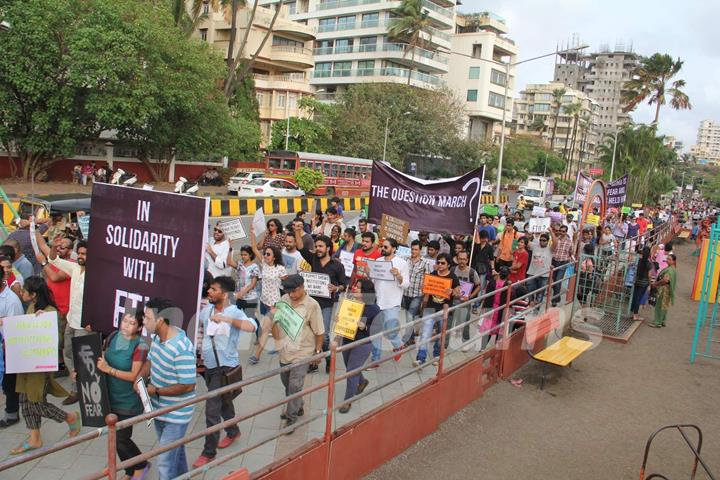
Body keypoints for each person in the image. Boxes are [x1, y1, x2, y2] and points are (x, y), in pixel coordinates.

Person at [10, 276, 80, 455]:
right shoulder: (32, 308)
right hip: (26, 364)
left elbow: (54, 340)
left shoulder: (50, 312)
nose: (22, 293)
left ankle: (69, 417)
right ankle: (35, 438)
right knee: (25, 402)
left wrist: (42, 323)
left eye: (25, 290)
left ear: (33, 294)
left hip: (38, 368)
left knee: (36, 403)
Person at [193, 276, 257, 468]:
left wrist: (227, 319)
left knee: (212, 408)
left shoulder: (234, 312)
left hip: (225, 367)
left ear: (224, 293)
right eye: (209, 289)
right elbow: (202, 332)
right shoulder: (207, 310)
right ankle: (233, 431)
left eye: (213, 289)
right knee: (224, 403)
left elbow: (252, 326)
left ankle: (208, 452)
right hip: (208, 367)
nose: (209, 292)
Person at [139, 297, 196, 480]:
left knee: (164, 460)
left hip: (176, 414)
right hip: (160, 410)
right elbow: (150, 360)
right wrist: (140, 377)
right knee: (175, 452)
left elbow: (188, 385)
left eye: (147, 318)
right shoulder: (157, 338)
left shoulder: (181, 348)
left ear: (160, 320)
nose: (143, 322)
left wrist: (155, 391)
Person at [96, 309, 151, 479]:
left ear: (140, 327)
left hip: (128, 399)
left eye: (132, 323)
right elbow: (102, 358)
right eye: (124, 321)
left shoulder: (140, 346)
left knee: (122, 438)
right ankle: (130, 469)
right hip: (110, 396)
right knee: (114, 438)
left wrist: (109, 369)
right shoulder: (113, 336)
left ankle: (141, 465)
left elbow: (133, 375)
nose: (126, 326)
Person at [37, 231, 90, 405]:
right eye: (80, 253)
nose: (81, 256)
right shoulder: (74, 268)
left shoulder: (96, 276)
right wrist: (53, 246)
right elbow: (54, 260)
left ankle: (85, 391)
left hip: (85, 325)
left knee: (84, 359)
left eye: (84, 254)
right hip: (71, 321)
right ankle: (76, 387)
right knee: (68, 354)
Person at [270, 275, 324, 431]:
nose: (291, 295)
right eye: (288, 292)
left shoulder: (312, 305)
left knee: (294, 385)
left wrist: (318, 352)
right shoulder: (284, 299)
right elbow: (276, 324)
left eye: (294, 291)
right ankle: (298, 405)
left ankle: (291, 418)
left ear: (302, 287)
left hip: (303, 352)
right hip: (285, 351)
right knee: (287, 384)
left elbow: (319, 331)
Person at [293, 226, 347, 373]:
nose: (317, 249)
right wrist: (297, 231)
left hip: (326, 305)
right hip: (310, 303)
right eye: (316, 246)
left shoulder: (337, 265)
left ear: (328, 248)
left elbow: (344, 284)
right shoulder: (313, 259)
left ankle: (329, 359)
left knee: (324, 335)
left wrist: (336, 289)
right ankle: (314, 362)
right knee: (311, 334)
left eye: (321, 246)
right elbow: (300, 247)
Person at [337, 279, 379, 413]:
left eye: (359, 288)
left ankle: (347, 401)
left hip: (363, 343)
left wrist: (365, 326)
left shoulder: (373, 308)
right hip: (347, 338)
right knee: (351, 367)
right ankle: (362, 381)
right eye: (355, 286)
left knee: (351, 371)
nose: (355, 288)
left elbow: (378, 328)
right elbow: (343, 319)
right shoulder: (350, 302)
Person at [414, 253, 460, 366]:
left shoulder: (453, 277)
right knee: (425, 334)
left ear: (448, 264)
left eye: (442, 263)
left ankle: (436, 355)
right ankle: (421, 358)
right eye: (438, 262)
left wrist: (453, 292)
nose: (440, 264)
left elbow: (458, 293)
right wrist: (424, 291)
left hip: (444, 310)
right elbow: (426, 291)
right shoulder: (433, 274)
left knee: (441, 334)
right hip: (430, 309)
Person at [248, 231, 286, 364]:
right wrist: (253, 233)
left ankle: (256, 356)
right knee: (273, 326)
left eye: (268, 254)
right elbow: (254, 248)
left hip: (274, 304)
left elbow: (287, 283)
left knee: (265, 328)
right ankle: (279, 346)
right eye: (265, 253)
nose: (265, 255)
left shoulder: (280, 269)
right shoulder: (264, 264)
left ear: (275, 257)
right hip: (263, 301)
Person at [369, 238, 409, 364]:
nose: (383, 249)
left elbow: (406, 284)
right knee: (375, 332)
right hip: (378, 301)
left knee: (390, 331)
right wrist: (369, 273)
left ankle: (398, 346)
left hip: (392, 302)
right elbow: (374, 281)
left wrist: (398, 275)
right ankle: (375, 360)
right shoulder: (378, 261)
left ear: (394, 249)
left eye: (386, 247)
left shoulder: (402, 263)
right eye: (382, 246)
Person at [0, 259, 24, 429]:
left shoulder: (11, 300)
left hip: (7, 348)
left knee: (9, 383)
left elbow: (13, 327)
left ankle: (12, 414)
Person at [402, 240, 432, 345]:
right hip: (405, 293)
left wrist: (426, 296)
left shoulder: (425, 263)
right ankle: (411, 338)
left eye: (416, 249)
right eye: (412, 249)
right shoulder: (405, 259)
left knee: (410, 316)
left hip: (417, 294)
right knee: (408, 316)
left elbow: (428, 279)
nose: (413, 251)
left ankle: (406, 338)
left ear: (420, 250)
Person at [452, 251, 481, 351]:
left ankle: (466, 342)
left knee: (465, 322)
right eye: (460, 259)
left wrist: (470, 297)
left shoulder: (472, 272)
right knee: (449, 321)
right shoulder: (452, 270)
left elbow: (478, 286)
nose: (462, 261)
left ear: (467, 260)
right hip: (453, 301)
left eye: (464, 259)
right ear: (457, 259)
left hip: (465, 302)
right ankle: (445, 342)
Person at [227, 245, 260, 321]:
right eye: (241, 255)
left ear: (250, 255)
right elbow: (229, 262)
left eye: (245, 255)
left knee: (251, 319)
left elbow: (252, 284)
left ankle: (259, 332)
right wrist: (230, 249)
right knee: (235, 318)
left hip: (250, 298)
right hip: (239, 298)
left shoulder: (255, 267)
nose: (243, 256)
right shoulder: (240, 264)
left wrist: (241, 294)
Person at [549, 223, 573, 307]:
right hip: (554, 261)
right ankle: (557, 296)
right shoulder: (556, 239)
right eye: (560, 231)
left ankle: (554, 299)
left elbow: (571, 252)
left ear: (566, 232)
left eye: (563, 231)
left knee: (558, 280)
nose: (561, 232)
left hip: (563, 261)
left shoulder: (569, 241)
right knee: (554, 279)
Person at [650, 253, 677, 328]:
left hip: (664, 289)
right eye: (667, 259)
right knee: (664, 306)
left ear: (673, 261)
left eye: (669, 259)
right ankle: (662, 321)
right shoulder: (673, 269)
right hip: (668, 290)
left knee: (659, 305)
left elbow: (665, 280)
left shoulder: (669, 270)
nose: (667, 260)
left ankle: (657, 322)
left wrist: (656, 284)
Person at [526, 233, 552, 305]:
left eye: (544, 240)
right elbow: (525, 241)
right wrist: (529, 233)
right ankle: (530, 303)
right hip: (532, 273)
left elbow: (555, 242)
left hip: (544, 275)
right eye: (540, 240)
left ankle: (536, 309)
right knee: (530, 289)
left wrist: (551, 232)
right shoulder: (535, 246)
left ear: (548, 241)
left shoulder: (550, 249)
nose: (542, 242)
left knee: (540, 293)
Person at [631, 246, 653, 322]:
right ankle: (635, 315)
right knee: (638, 298)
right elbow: (649, 275)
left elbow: (635, 271)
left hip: (637, 281)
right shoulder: (649, 264)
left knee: (635, 297)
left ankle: (633, 312)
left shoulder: (639, 261)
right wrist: (650, 284)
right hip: (644, 283)